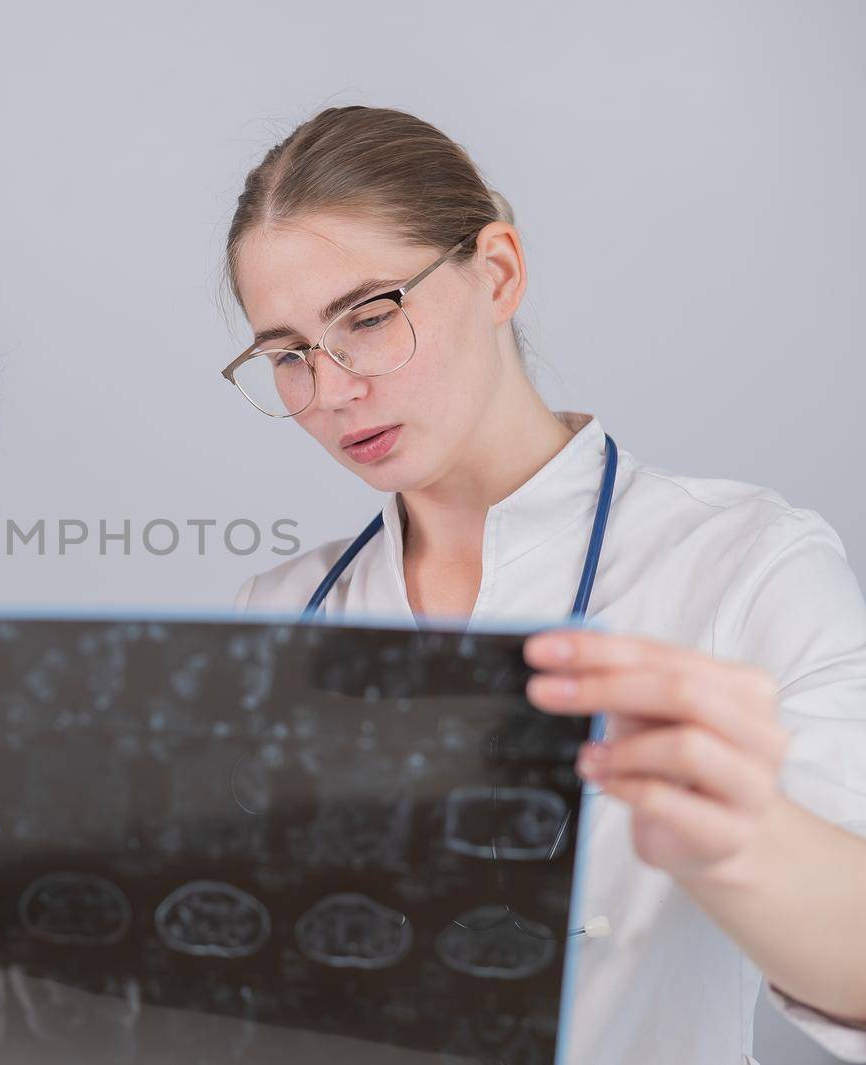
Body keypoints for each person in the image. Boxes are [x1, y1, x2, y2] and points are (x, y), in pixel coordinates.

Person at [222, 105, 866, 1064]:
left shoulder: (743, 564)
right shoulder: (275, 616)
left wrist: (746, 843)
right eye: (286, 353)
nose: (334, 387)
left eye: (367, 316)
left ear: (499, 273)